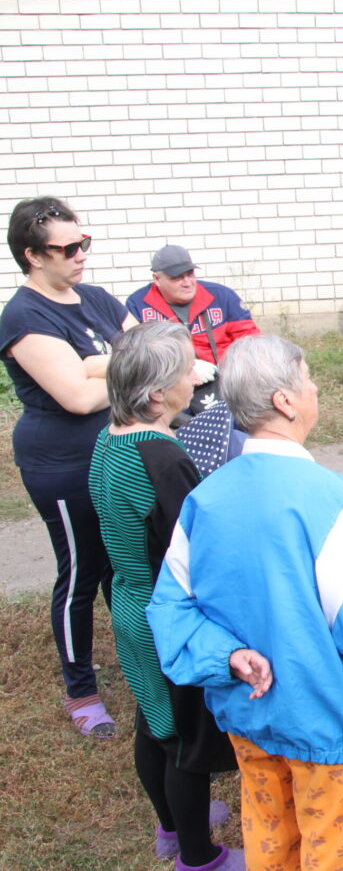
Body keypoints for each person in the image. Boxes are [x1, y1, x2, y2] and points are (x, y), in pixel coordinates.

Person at [146, 335, 343, 871]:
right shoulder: (331, 498)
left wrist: (226, 656)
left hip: (246, 711)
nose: (315, 386)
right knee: (331, 846)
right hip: (323, 718)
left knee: (269, 832)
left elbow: (170, 608)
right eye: (308, 376)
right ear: (285, 400)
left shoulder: (204, 499)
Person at [89, 322, 242, 871]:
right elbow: (192, 547)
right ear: (158, 393)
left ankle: (171, 829)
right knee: (185, 743)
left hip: (128, 599)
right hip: (165, 611)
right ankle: (200, 859)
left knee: (150, 721)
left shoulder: (110, 437)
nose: (196, 374)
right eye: (186, 369)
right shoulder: (162, 458)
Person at [0, 196, 137, 737]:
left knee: (126, 563)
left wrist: (92, 364)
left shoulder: (98, 299)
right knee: (83, 569)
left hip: (118, 452)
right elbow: (75, 399)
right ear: (33, 256)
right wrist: (127, 368)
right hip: (61, 459)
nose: (80, 254)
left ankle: (135, 659)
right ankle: (80, 690)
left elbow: (156, 351)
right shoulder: (24, 315)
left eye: (84, 242)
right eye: (66, 248)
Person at [126, 244, 261, 420]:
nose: (187, 283)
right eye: (177, 277)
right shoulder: (139, 304)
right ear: (157, 279)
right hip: (170, 389)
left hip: (224, 385)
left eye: (190, 274)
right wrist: (184, 366)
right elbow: (137, 355)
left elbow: (252, 342)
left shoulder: (221, 296)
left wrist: (228, 369)